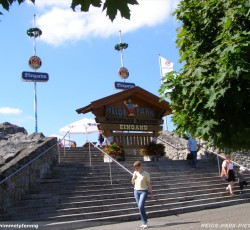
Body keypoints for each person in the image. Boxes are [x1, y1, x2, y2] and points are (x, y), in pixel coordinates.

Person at [131, 161, 153, 229]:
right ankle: (144, 222)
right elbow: (132, 183)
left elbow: (148, 183)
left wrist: (151, 193)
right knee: (140, 208)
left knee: (141, 206)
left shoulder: (146, 174)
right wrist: (133, 178)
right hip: (136, 191)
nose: (136, 169)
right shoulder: (135, 173)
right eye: (135, 168)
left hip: (144, 191)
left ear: (140, 166)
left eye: (137, 168)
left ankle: (145, 222)